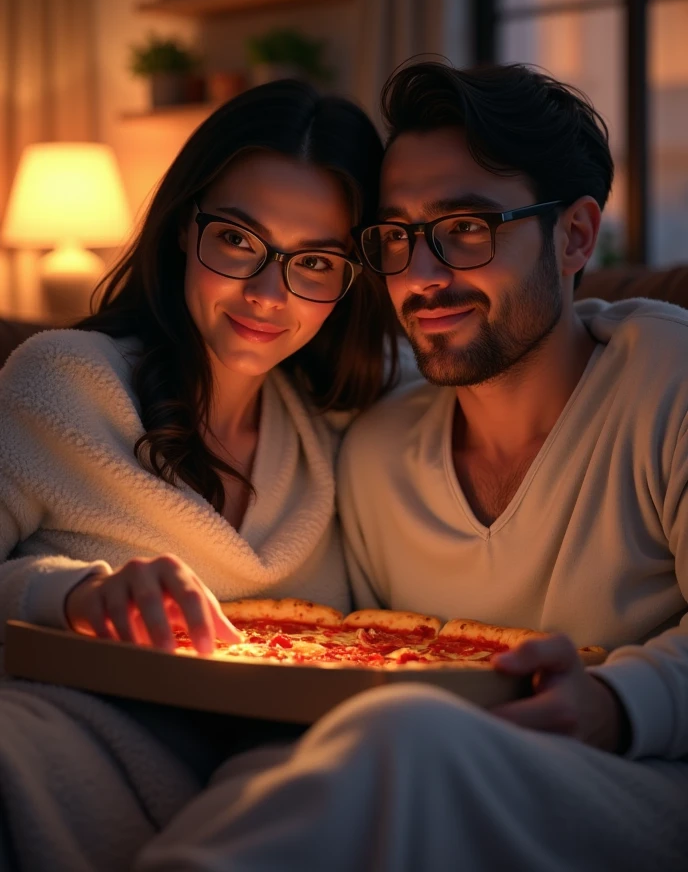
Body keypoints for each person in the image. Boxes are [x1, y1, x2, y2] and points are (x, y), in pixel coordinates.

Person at [134, 63, 688, 872]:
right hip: (425, 781)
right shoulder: (374, 452)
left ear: (574, 236)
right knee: (269, 771)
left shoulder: (667, 379)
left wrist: (616, 703)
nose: (422, 278)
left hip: (645, 781)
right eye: (396, 236)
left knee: (407, 733)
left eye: (466, 227)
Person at [0, 79, 398, 872]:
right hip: (59, 736)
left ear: (348, 283)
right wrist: (71, 593)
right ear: (187, 227)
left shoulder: (344, 431)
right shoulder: (63, 382)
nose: (265, 293)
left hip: (268, 784)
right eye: (238, 240)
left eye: (313, 261)